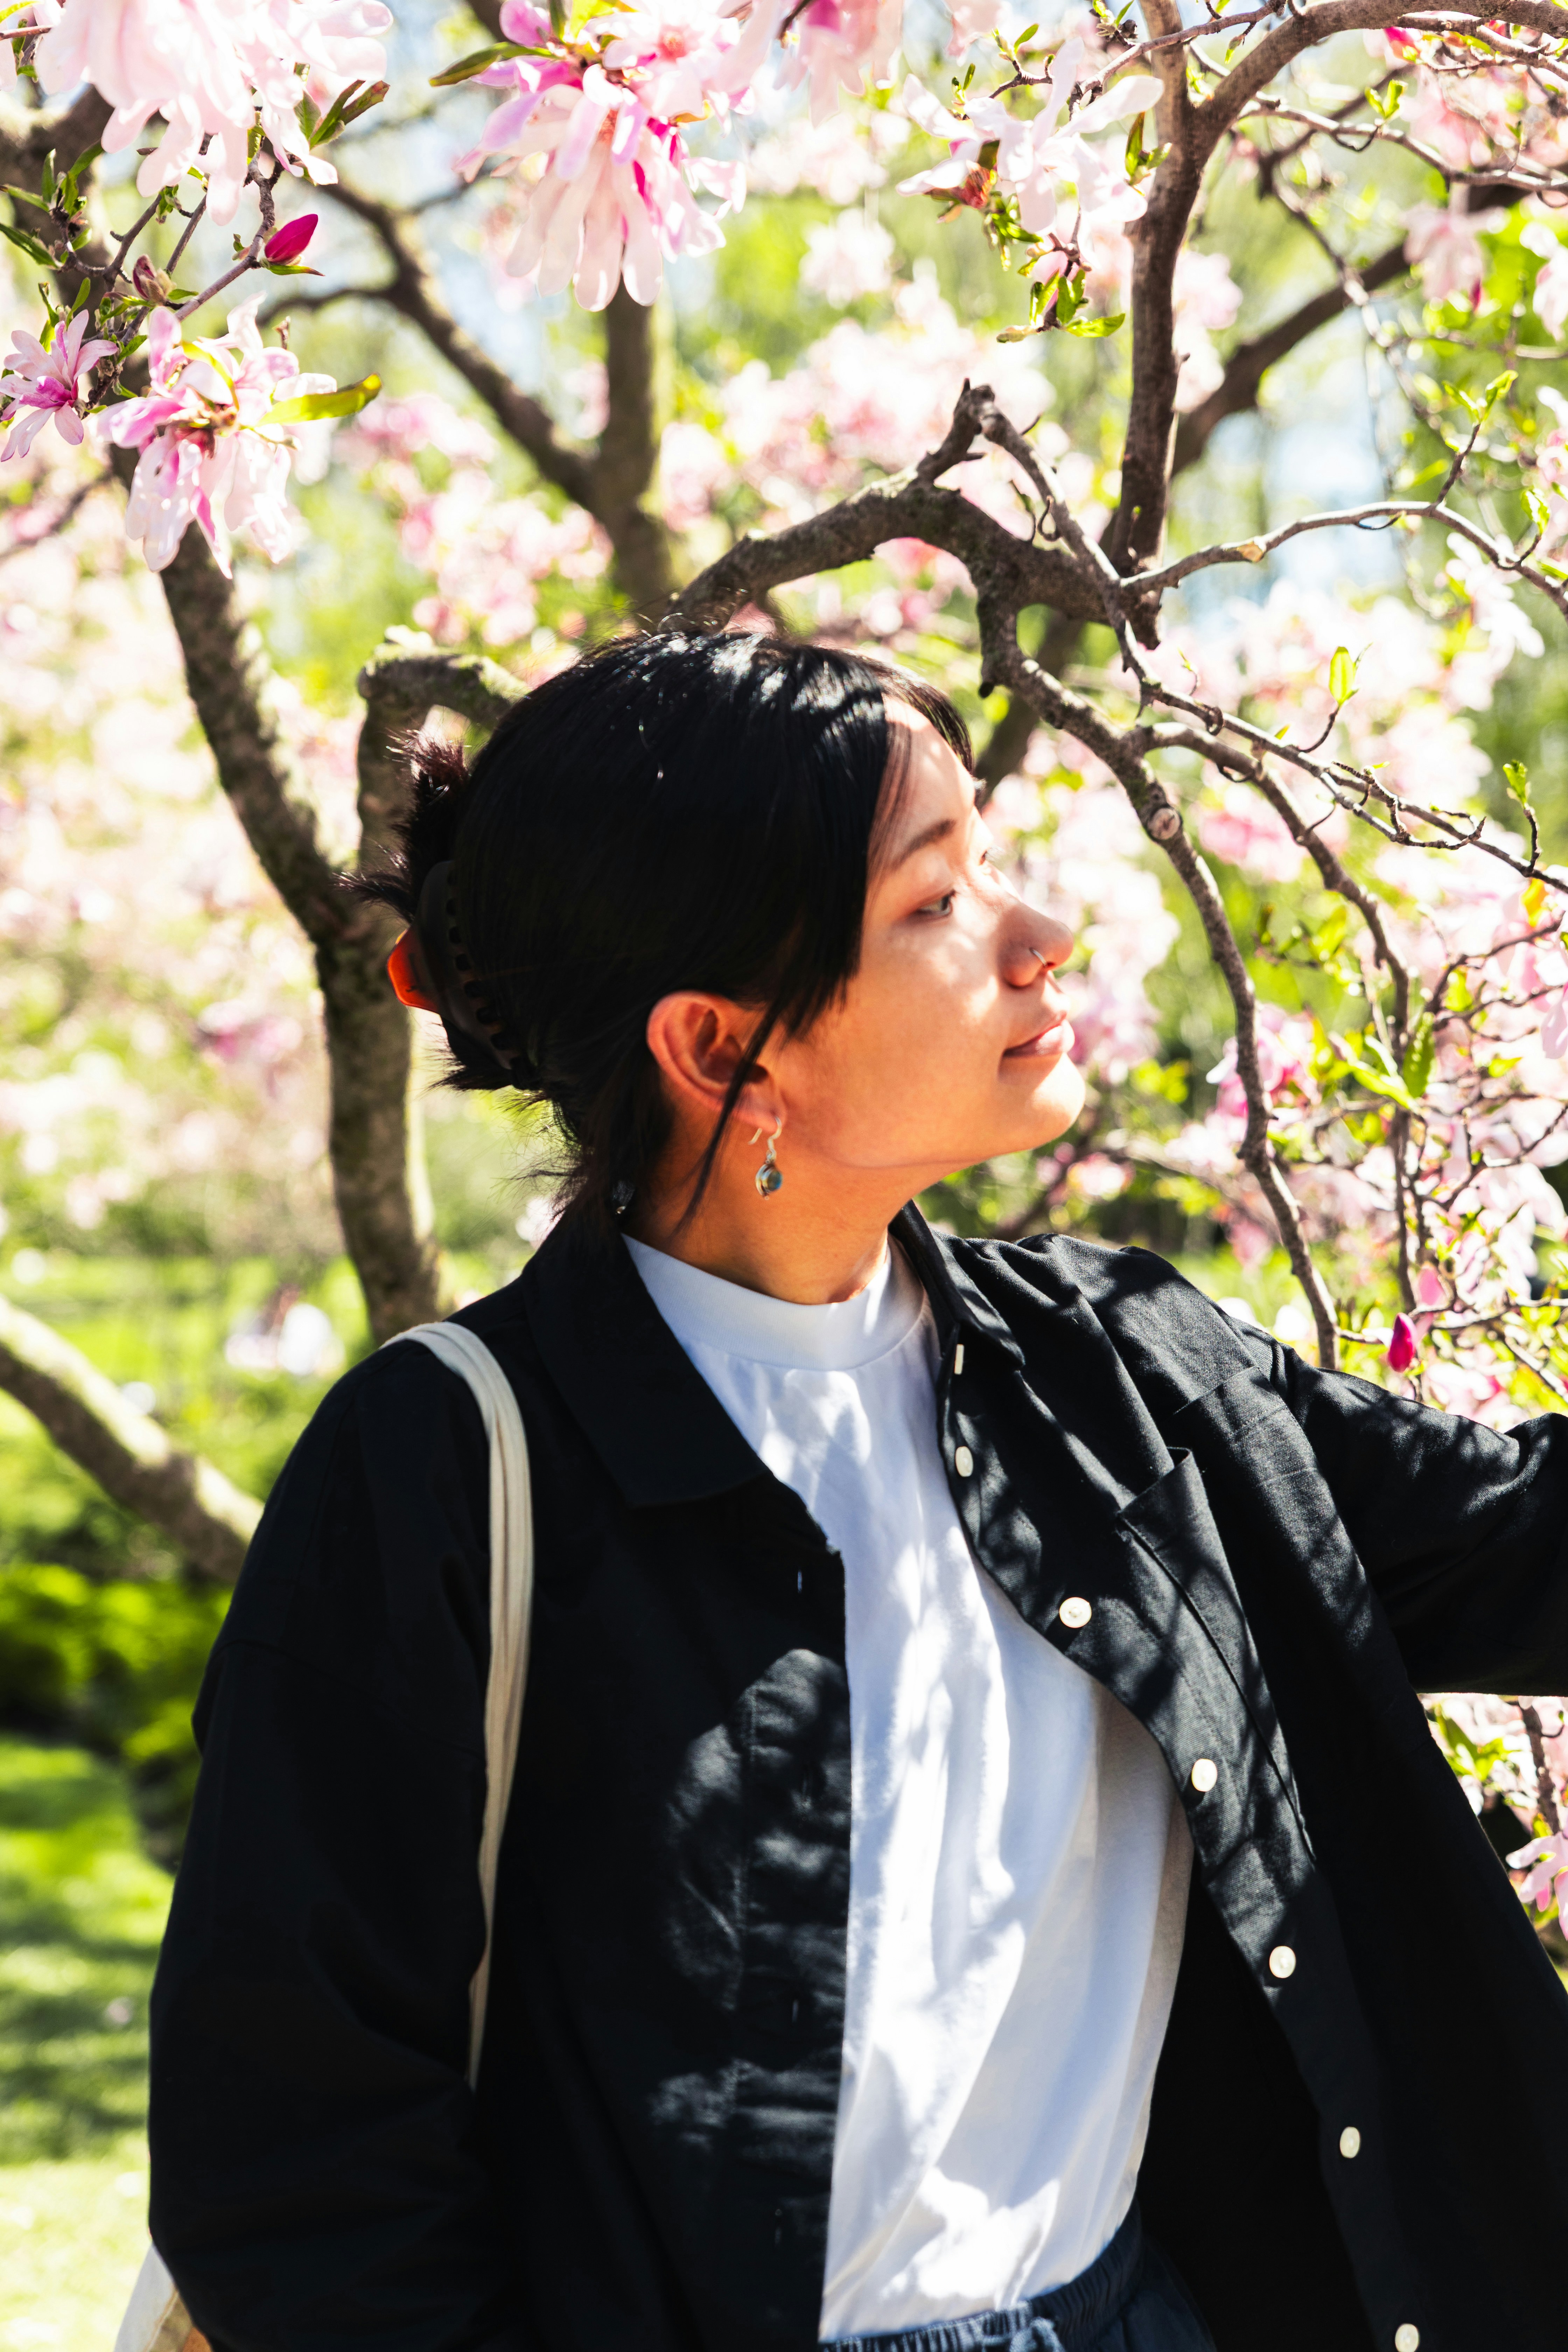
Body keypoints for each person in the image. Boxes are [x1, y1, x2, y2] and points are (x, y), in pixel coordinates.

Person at [148, 632, 1568, 2352]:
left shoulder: (1114, 1370)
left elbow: (1518, 1542)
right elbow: (298, 2159)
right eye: (935, 901)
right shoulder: (447, 1469)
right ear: (720, 1044)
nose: (1040, 936)